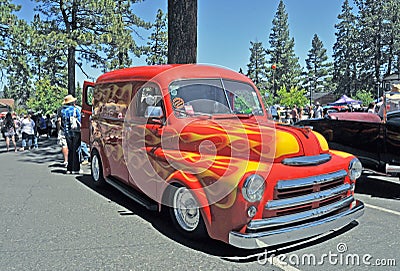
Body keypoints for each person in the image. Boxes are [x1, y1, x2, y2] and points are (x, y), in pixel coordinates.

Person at [60, 94, 82, 174]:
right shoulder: (75, 110)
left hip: (67, 132)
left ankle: (69, 168)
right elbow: (80, 120)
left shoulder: (62, 111)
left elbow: (62, 122)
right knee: (76, 150)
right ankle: (76, 168)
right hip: (75, 131)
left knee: (70, 149)